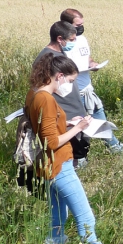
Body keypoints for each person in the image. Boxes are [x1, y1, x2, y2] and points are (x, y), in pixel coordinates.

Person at [25, 53, 123, 244]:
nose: (71, 86)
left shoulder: (34, 93)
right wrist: (80, 127)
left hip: (46, 168)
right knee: (86, 221)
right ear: (59, 76)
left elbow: (45, 129)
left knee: (57, 221)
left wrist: (68, 124)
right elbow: (51, 142)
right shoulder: (47, 99)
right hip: (60, 167)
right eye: (70, 81)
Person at [60, 8, 123, 154]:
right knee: (79, 135)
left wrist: (92, 64)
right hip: (74, 95)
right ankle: (81, 162)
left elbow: (87, 57)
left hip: (89, 93)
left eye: (82, 24)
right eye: (77, 26)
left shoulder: (82, 39)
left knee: (104, 129)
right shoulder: (62, 45)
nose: (81, 28)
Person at [35, 21, 91, 168]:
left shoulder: (59, 53)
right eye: (71, 40)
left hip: (72, 114)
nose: (74, 43)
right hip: (65, 113)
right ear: (60, 39)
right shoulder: (47, 58)